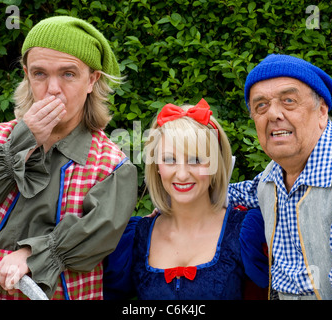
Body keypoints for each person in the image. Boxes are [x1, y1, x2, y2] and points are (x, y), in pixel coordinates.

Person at [0, 16, 137, 300]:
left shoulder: (111, 166)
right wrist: (23, 139)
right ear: (27, 75)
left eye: (68, 74)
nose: (53, 88)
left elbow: (97, 234)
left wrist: (30, 255)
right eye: (40, 74)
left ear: (92, 80)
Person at [228, 54, 332, 300]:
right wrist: (171, 202)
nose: (273, 114)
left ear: (322, 111)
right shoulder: (273, 175)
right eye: (261, 105)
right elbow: (241, 192)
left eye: (289, 100)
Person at [103, 99, 268, 300]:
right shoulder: (135, 237)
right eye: (169, 159)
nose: (181, 175)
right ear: (156, 165)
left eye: (196, 160)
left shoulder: (247, 231)